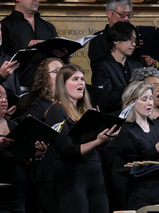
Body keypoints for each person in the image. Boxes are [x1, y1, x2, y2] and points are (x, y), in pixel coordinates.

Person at [45, 64, 119, 213]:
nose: (81, 83)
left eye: (82, 79)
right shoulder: (56, 110)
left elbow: (96, 146)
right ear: (63, 84)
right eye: (75, 79)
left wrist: (106, 136)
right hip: (72, 177)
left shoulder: (87, 112)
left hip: (96, 175)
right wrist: (97, 141)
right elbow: (67, 150)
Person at [0, 82, 46, 213]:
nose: (4, 100)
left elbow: (28, 163)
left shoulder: (15, 126)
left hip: (17, 197)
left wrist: (37, 156)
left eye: (6, 97)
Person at [19, 57, 63, 213]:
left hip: (66, 170)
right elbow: (27, 135)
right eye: (56, 71)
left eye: (63, 70)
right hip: (47, 171)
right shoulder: (36, 105)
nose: (61, 74)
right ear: (44, 78)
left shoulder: (67, 103)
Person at [1, 0, 66, 88]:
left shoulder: (48, 27)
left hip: (51, 87)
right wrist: (25, 49)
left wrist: (66, 55)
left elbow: (59, 61)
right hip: (21, 87)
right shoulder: (5, 26)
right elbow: (0, 61)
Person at [116, 81, 159, 210]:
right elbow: (131, 162)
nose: (150, 103)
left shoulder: (157, 126)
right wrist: (156, 149)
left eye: (151, 98)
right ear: (131, 103)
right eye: (144, 99)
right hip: (141, 195)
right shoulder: (125, 131)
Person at [91, 21, 143, 115]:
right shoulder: (102, 66)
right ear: (115, 40)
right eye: (130, 39)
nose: (134, 44)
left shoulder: (137, 65)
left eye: (135, 40)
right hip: (114, 119)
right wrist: (133, 90)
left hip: (137, 116)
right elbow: (105, 100)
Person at [88, 0, 157, 70]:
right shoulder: (98, 39)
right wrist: (126, 48)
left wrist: (149, 62)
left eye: (129, 15)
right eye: (122, 15)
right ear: (109, 14)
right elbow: (100, 69)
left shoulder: (136, 38)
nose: (126, 19)